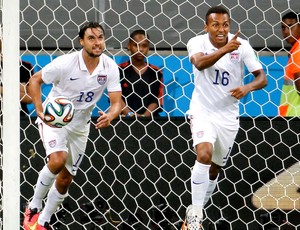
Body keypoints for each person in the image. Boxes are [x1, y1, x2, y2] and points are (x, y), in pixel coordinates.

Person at [22, 21, 122, 230]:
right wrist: (40, 110)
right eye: (91, 38)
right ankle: (33, 206)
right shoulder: (65, 63)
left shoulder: (110, 67)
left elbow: (117, 103)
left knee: (66, 178)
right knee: (58, 160)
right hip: (55, 119)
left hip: (80, 125)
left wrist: (111, 115)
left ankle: (43, 222)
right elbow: (34, 80)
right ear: (81, 41)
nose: (97, 43)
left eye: (100, 37)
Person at [182, 5, 267, 230]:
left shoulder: (243, 46)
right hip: (203, 111)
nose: (221, 29)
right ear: (206, 26)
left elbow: (262, 78)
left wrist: (247, 87)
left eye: (225, 24)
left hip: (228, 117)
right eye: (216, 24)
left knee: (214, 169)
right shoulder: (197, 42)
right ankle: (195, 220)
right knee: (204, 154)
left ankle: (194, 211)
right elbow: (200, 64)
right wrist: (225, 50)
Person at [119, 29, 163, 117]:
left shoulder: (156, 71)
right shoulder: (119, 70)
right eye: (136, 45)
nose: (140, 49)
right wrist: (130, 114)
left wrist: (143, 117)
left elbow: (156, 99)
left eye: (144, 46)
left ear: (148, 48)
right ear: (129, 46)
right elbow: (116, 98)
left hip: (151, 120)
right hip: (124, 120)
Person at [0, 37, 33, 116]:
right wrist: (20, 87)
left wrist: (1, 89)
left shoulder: (25, 66)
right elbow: (25, 91)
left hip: (19, 115)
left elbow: (30, 97)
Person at [279, 11, 300, 116]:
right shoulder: (295, 50)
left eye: (291, 26)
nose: (286, 31)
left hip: (294, 116)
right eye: (283, 28)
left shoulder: (298, 51)